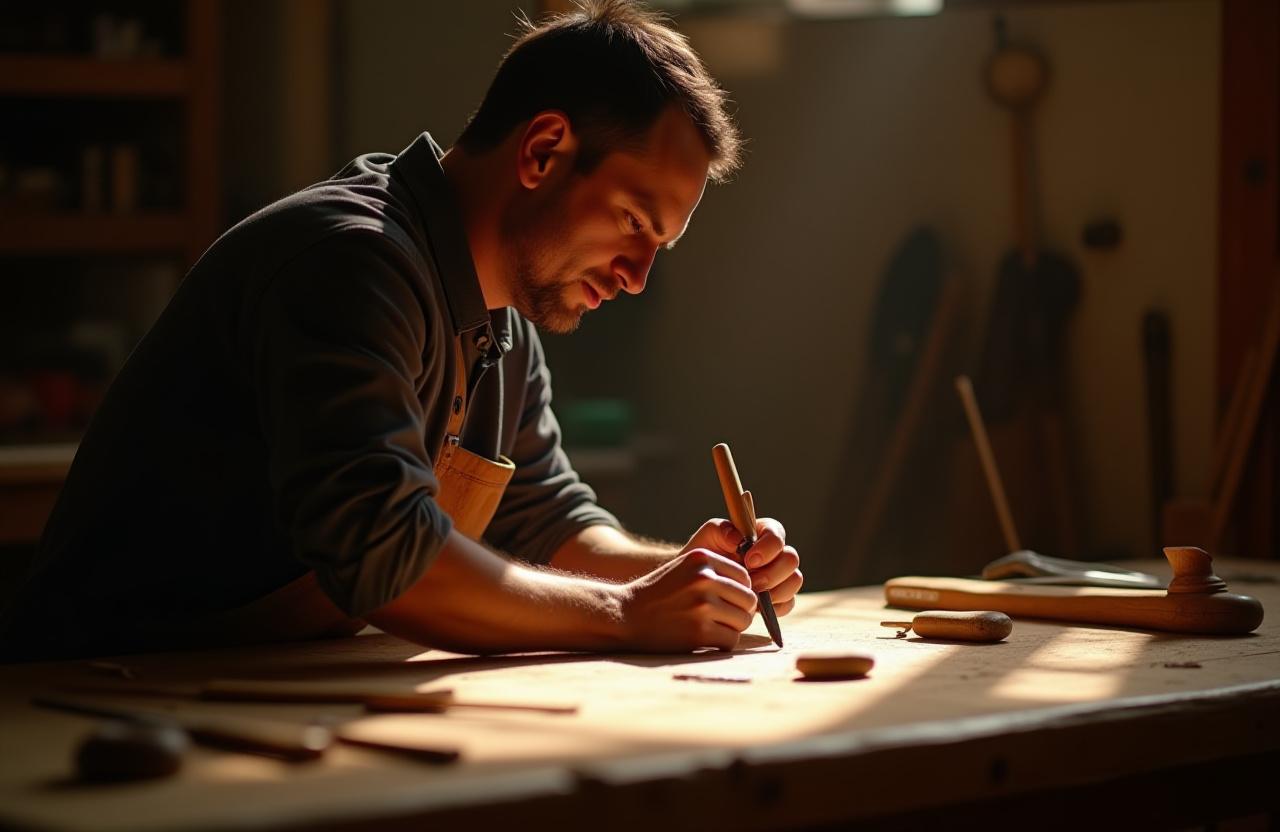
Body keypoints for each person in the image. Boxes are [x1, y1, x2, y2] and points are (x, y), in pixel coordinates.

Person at [0, 0, 802, 661]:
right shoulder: (351, 262)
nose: (637, 277)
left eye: (659, 246)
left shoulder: (503, 324)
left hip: (241, 688)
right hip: (86, 699)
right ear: (543, 151)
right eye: (632, 222)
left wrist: (694, 574)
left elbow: (548, 521)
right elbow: (381, 553)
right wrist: (626, 613)